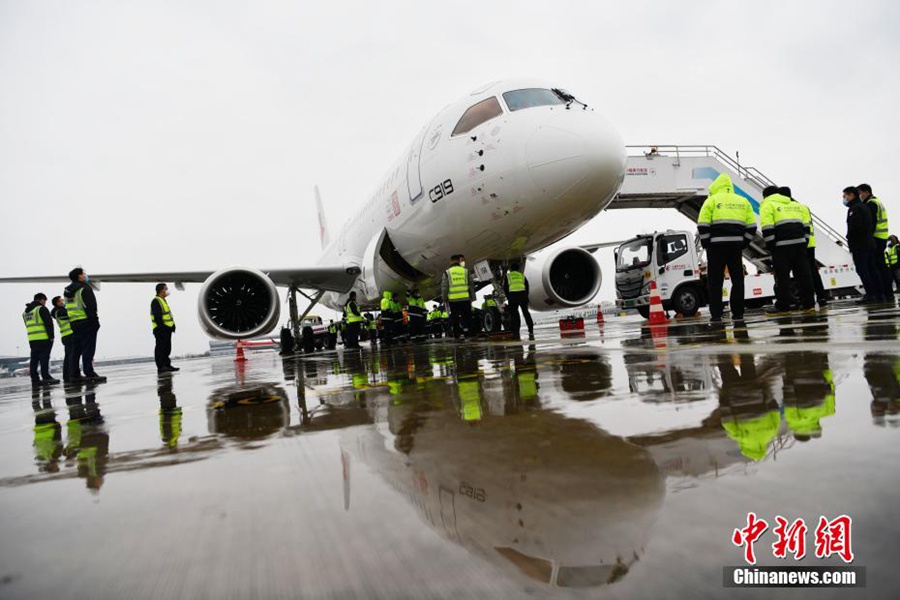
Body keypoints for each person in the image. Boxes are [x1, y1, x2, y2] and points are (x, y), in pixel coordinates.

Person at [697, 174, 757, 323]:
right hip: (735, 248)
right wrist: (743, 243)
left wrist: (707, 244)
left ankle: (716, 314)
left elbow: (702, 224)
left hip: (716, 248)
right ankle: (738, 313)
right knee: (738, 280)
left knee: (715, 282)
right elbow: (752, 226)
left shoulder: (711, 200)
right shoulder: (743, 201)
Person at [760, 186, 815, 314]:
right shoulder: (795, 205)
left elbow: (767, 228)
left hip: (781, 247)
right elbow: (807, 227)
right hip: (800, 245)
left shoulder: (767, 205)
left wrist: (771, 246)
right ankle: (809, 304)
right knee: (804, 276)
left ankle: (783, 306)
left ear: (765, 196)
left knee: (782, 277)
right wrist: (804, 242)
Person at [843, 186, 886, 303]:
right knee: (872, 269)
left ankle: (871, 295)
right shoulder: (865, 206)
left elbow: (855, 227)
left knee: (862, 270)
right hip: (869, 243)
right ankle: (879, 294)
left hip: (860, 244)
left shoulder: (854, 208)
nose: (844, 199)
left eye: (845, 196)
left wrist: (849, 237)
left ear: (851, 195)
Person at [64, 267, 106, 382]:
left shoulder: (67, 292)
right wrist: (95, 321)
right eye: (84, 273)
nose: (86, 275)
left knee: (76, 350)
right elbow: (91, 307)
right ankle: (89, 372)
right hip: (87, 323)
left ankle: (74, 374)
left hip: (74, 323)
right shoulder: (84, 289)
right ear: (79, 276)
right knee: (88, 349)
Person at [793, 195, 829, 307]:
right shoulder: (803, 207)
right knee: (813, 271)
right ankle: (821, 297)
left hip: (801, 242)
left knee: (802, 272)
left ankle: (804, 298)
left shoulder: (795, 208)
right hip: (810, 242)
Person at [859, 183, 893, 296]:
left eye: (860, 193)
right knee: (881, 265)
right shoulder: (877, 201)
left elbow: (871, 223)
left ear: (866, 192)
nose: (860, 196)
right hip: (882, 237)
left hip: (876, 238)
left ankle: (883, 291)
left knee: (877, 266)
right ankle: (887, 292)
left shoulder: (871, 204)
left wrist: (867, 238)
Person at [23, 293, 59, 386]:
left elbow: (27, 325)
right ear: (41, 300)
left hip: (32, 339)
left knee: (34, 359)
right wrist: (51, 337)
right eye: (45, 301)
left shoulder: (26, 312)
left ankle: (34, 379)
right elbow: (49, 324)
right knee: (44, 358)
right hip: (43, 338)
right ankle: (46, 377)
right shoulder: (41, 309)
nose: (45, 303)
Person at [441, 254, 475, 339]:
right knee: (467, 317)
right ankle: (468, 333)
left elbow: (445, 287)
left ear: (451, 261)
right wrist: (473, 297)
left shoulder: (447, 272)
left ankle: (457, 335)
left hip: (453, 300)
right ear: (459, 261)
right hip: (465, 298)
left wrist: (445, 298)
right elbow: (471, 284)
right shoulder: (465, 271)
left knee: (455, 318)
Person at [151, 283, 179, 374]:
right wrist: (162, 327)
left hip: (167, 329)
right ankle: (161, 367)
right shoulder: (156, 301)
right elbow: (157, 316)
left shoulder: (163, 300)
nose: (167, 290)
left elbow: (168, 315)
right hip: (161, 329)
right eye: (166, 288)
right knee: (160, 348)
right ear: (161, 290)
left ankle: (167, 365)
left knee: (167, 348)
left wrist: (172, 325)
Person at [504, 262, 534, 339]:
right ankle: (530, 330)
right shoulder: (522, 276)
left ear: (510, 269)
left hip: (513, 297)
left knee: (515, 315)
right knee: (526, 313)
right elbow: (527, 287)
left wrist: (508, 297)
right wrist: (525, 296)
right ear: (518, 269)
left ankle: (516, 331)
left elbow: (505, 288)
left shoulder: (508, 276)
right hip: (523, 296)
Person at [50, 296, 75, 382]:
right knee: (72, 356)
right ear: (57, 303)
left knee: (68, 357)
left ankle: (67, 376)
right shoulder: (61, 312)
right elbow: (72, 316)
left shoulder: (56, 312)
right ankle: (72, 375)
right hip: (70, 335)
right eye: (61, 301)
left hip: (65, 335)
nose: (63, 302)